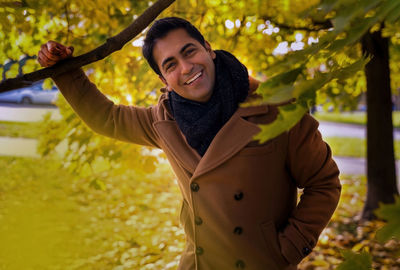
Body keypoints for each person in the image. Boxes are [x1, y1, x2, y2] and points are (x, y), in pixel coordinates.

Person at [38, 17, 341, 270]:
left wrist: (287, 249)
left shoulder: (278, 107)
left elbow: (323, 183)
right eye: (170, 64)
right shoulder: (163, 121)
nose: (186, 67)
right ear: (163, 80)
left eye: (190, 51)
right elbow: (107, 118)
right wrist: (64, 69)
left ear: (208, 49)